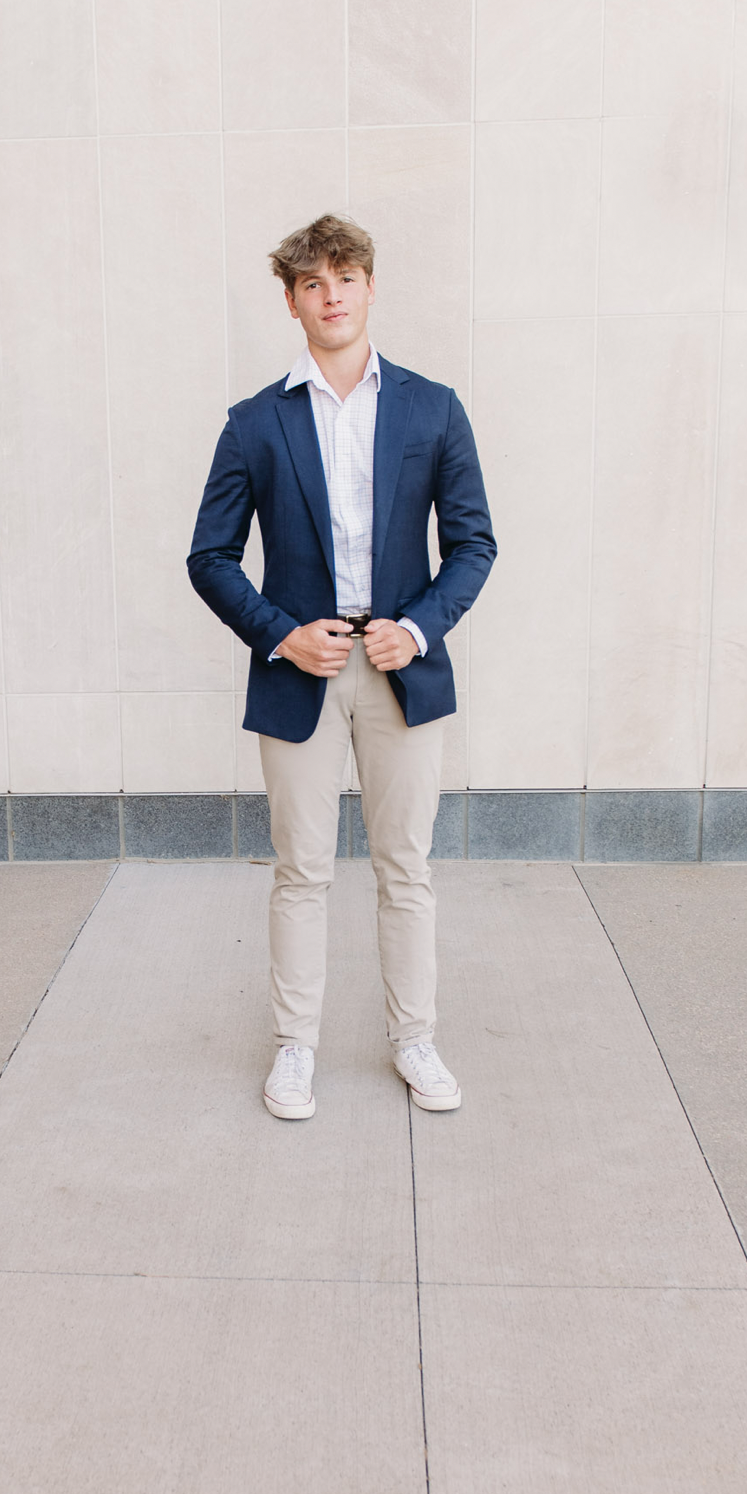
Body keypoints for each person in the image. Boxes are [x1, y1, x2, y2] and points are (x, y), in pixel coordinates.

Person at [187, 215, 496, 1121]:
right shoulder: (254, 423)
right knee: (303, 871)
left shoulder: (432, 407)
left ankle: (414, 1039)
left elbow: (473, 542)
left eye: (347, 278)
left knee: (406, 868)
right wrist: (280, 635)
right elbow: (210, 556)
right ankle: (296, 1048)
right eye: (314, 283)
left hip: (403, 669)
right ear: (292, 301)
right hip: (301, 674)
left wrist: (422, 627)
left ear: (369, 288)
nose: (332, 295)